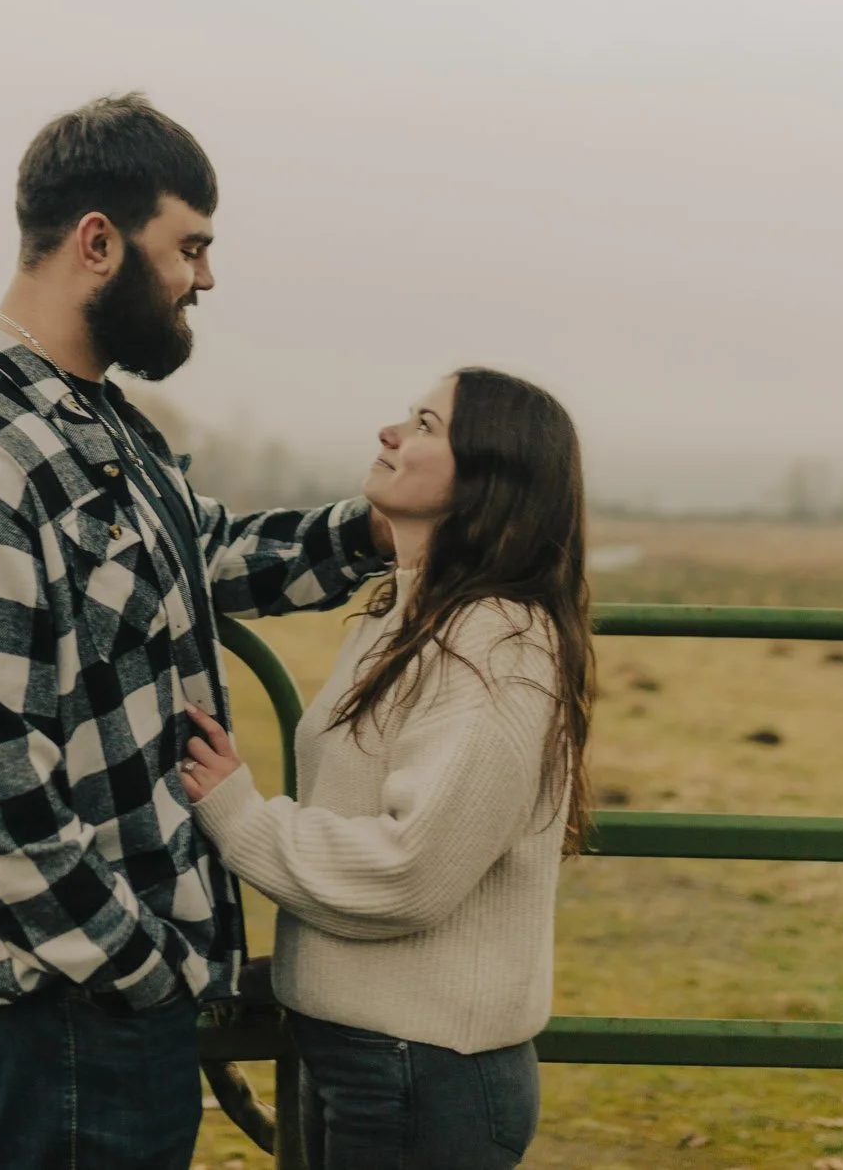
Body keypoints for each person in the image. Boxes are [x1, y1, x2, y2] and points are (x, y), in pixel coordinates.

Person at [0, 92, 393, 1170]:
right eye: (189, 246)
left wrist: (374, 530)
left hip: (97, 1009)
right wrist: (136, 964)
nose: (205, 278)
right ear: (97, 242)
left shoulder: (93, 427)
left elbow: (203, 555)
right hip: (43, 1009)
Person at [181, 367, 594, 1170]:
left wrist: (241, 816)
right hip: (364, 1052)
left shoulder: (498, 643)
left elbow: (411, 871)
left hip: (423, 1068)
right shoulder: (406, 615)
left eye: (427, 424)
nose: (392, 433)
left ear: (487, 476)